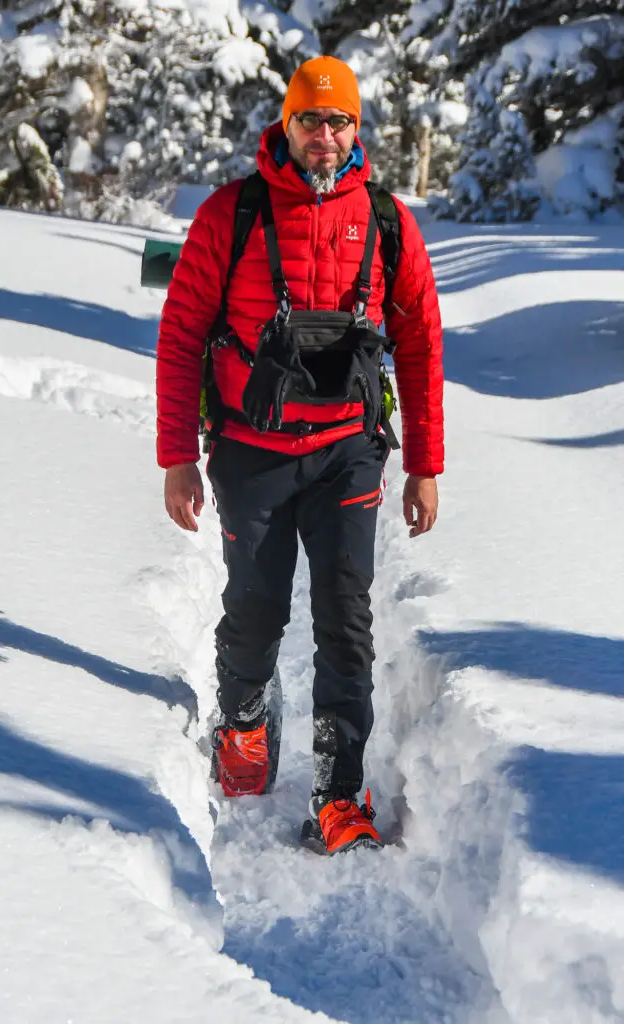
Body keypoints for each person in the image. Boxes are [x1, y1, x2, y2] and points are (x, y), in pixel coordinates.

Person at [156, 56, 444, 855]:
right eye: (310, 120)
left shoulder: (386, 220)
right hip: (250, 451)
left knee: (345, 622)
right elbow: (181, 335)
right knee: (254, 611)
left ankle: (338, 790)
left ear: (358, 129)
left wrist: (425, 464)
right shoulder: (232, 213)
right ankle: (245, 720)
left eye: (339, 120)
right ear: (286, 124)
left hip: (350, 451)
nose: (324, 134)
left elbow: (420, 341)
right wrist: (178, 455)